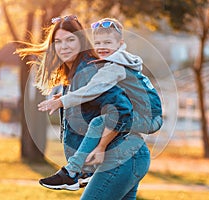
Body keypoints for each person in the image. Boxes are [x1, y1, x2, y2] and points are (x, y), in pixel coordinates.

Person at [17, 15, 151, 199]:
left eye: (70, 40)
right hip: (131, 156)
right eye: (58, 41)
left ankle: (71, 174)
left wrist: (101, 147)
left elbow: (121, 111)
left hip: (122, 157)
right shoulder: (76, 74)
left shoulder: (88, 70)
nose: (64, 46)